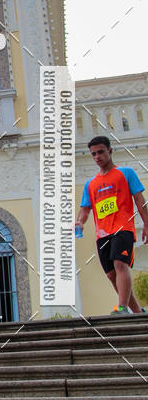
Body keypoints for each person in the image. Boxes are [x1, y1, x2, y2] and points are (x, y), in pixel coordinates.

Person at [75, 135, 148, 314]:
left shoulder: (126, 173)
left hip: (124, 228)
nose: (97, 157)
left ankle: (122, 307)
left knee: (120, 264)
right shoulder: (91, 184)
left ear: (110, 151)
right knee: (111, 274)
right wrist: (80, 222)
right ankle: (137, 311)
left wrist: (146, 224)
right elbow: (85, 209)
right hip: (103, 234)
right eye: (93, 154)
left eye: (101, 152)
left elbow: (139, 200)